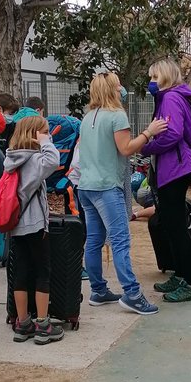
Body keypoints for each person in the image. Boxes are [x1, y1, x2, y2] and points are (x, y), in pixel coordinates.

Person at [77, 72, 164, 315]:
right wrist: (149, 132)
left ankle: (98, 289)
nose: (121, 89)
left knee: (93, 240)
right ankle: (132, 293)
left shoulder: (88, 117)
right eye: (118, 86)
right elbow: (125, 149)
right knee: (120, 240)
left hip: (87, 187)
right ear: (110, 90)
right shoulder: (116, 115)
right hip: (106, 187)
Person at [141, 57, 191, 304]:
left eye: (154, 77)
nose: (151, 82)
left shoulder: (170, 98)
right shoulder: (172, 97)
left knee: (176, 226)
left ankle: (189, 283)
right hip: (173, 168)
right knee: (170, 223)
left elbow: (173, 133)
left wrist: (148, 146)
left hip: (175, 168)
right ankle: (181, 274)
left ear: (165, 77)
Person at [6, 116, 65, 345]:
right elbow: (53, 160)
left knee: (20, 273)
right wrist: (45, 142)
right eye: (45, 132)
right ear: (34, 134)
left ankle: (22, 323)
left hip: (15, 224)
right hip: (36, 224)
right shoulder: (34, 160)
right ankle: (42, 324)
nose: (49, 135)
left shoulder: (11, 157)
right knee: (42, 271)